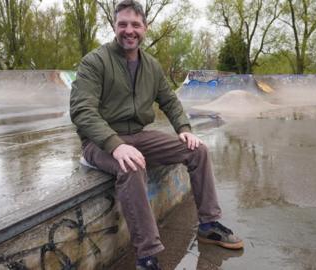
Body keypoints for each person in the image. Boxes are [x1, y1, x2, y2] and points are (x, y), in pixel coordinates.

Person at [69, 1, 243, 269]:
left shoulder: (151, 65)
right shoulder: (95, 62)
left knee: (198, 150)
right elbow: (82, 111)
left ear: (145, 28)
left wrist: (184, 130)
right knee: (132, 164)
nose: (129, 30)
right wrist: (115, 145)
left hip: (138, 135)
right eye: (123, 24)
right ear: (114, 26)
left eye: (135, 25)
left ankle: (208, 224)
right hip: (99, 142)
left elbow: (170, 101)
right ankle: (146, 255)